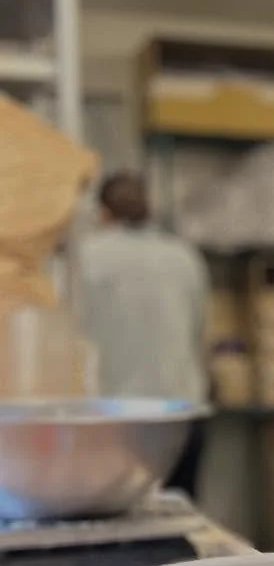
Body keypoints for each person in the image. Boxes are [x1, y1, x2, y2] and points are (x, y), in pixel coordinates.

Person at [77, 171, 209, 494]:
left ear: (103, 213)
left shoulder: (87, 257)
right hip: (184, 413)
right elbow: (200, 332)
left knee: (122, 521)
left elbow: (69, 339)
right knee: (179, 516)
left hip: (117, 420)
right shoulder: (184, 256)